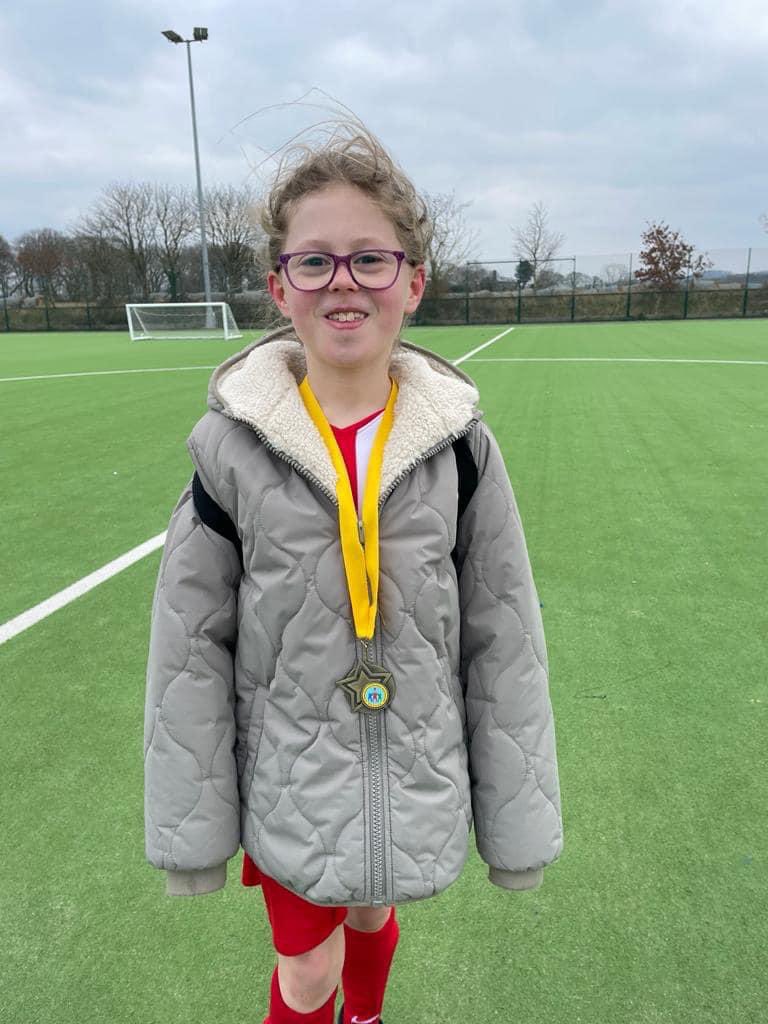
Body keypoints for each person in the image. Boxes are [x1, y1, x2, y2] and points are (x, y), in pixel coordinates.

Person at [144, 125, 563, 1024]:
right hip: (289, 774)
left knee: (371, 913)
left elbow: (505, 640)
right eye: (315, 261)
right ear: (278, 287)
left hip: (409, 767)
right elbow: (187, 652)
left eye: (370, 259)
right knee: (306, 971)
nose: (343, 280)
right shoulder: (229, 451)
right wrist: (191, 833)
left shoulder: (462, 451)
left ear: (412, 282)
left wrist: (519, 829)